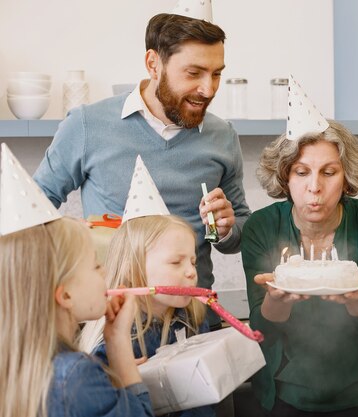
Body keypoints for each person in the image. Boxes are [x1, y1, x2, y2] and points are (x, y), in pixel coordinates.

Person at [33, 13, 251, 330]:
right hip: (109, 323)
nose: (207, 89)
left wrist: (228, 226)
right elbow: (34, 214)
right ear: (153, 64)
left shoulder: (223, 136)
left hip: (195, 320)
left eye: (216, 74)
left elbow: (236, 236)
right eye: (194, 73)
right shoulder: (87, 124)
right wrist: (75, 240)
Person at [239, 120, 358, 416]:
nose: (315, 187)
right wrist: (275, 300)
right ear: (285, 177)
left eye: (329, 172)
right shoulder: (261, 227)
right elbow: (263, 332)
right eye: (302, 172)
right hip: (284, 395)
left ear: (347, 177)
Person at [0, 216, 154, 417]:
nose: (105, 271)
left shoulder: (18, 373)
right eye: (96, 265)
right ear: (65, 295)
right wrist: (118, 343)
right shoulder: (77, 376)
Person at [81, 214, 214, 417]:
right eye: (176, 262)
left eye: (193, 262)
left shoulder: (193, 320)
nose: (191, 272)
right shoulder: (115, 343)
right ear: (133, 269)